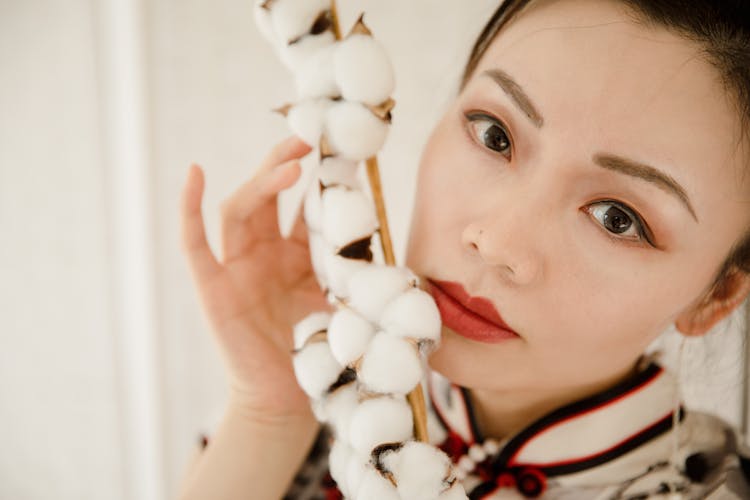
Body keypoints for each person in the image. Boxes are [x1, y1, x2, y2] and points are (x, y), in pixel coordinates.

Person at [177, 0, 750, 498]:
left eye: (616, 218)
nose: (496, 242)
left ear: (715, 297)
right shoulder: (330, 397)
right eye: (494, 135)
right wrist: (269, 414)